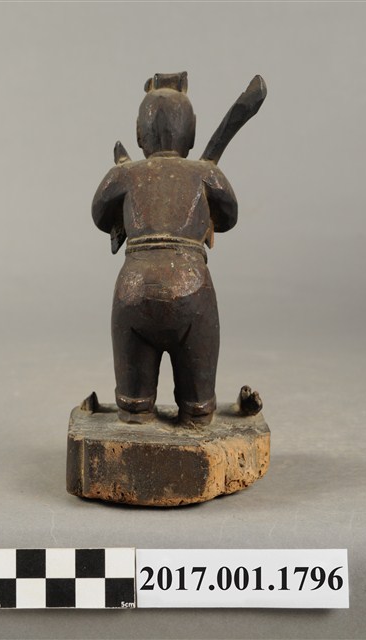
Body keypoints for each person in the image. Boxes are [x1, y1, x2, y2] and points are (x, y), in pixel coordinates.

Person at [92, 72, 237, 425]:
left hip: (133, 292)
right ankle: (197, 413)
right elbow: (229, 215)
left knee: (134, 409)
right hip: (193, 291)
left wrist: (124, 176)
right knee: (198, 412)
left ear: (139, 134)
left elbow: (99, 213)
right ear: (192, 133)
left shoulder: (123, 174)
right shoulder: (206, 174)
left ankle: (135, 411)